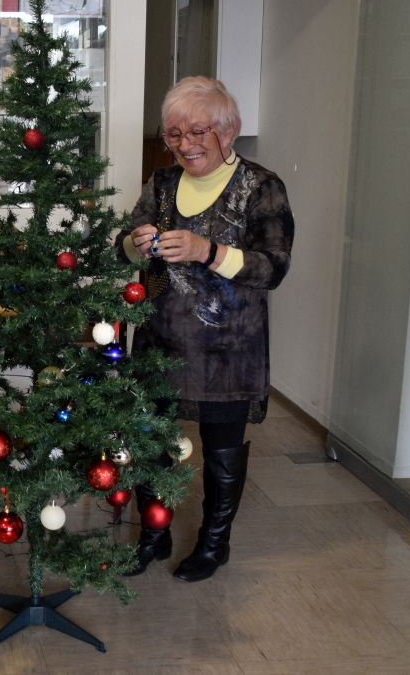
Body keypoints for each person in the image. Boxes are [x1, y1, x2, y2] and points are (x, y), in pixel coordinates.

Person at [118, 76, 294, 582]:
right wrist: (135, 242)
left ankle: (215, 544)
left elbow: (273, 268)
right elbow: (122, 250)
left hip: (227, 353)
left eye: (198, 131)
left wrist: (207, 251)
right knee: (150, 444)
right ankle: (153, 536)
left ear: (228, 130)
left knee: (221, 452)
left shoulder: (261, 187)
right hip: (158, 342)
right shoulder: (161, 183)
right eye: (174, 134)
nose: (185, 144)